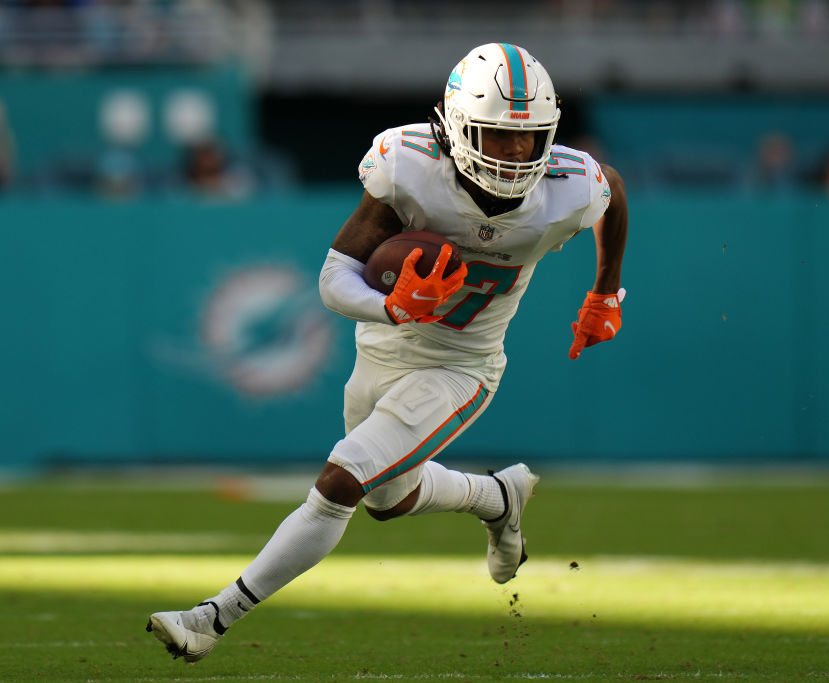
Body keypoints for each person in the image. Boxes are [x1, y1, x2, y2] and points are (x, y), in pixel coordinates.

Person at [146, 42, 629, 663]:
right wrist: (394, 308)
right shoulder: (409, 166)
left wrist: (605, 292)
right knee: (386, 500)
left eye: (527, 140)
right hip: (383, 345)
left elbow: (611, 190)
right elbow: (333, 277)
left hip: (462, 365)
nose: (514, 154)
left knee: (340, 482)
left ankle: (211, 618)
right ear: (456, 128)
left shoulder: (568, 185)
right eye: (496, 136)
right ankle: (497, 497)